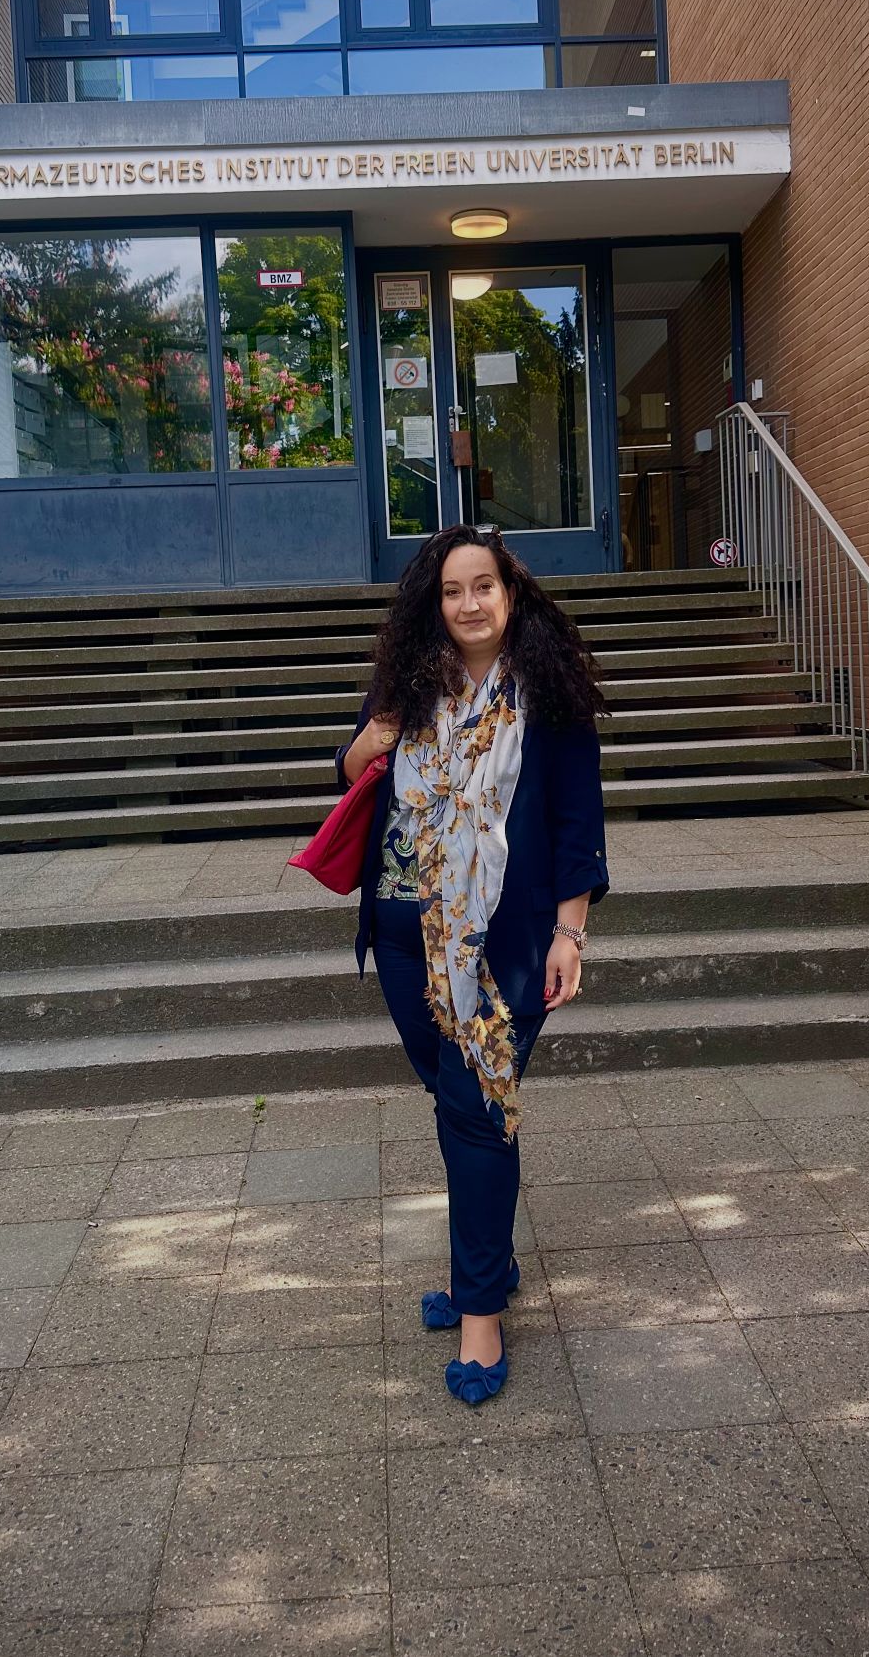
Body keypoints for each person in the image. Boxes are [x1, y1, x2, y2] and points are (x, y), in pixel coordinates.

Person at [336, 523, 608, 1405]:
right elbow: (347, 766)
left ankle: (480, 1311)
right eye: (452, 590)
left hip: (507, 942)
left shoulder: (550, 695)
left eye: (483, 585)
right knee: (457, 1103)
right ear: (435, 601)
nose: (468, 604)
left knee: (478, 1108)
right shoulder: (409, 681)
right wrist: (372, 742)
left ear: (511, 592)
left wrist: (571, 934)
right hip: (402, 932)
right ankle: (484, 1260)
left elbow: (577, 821)